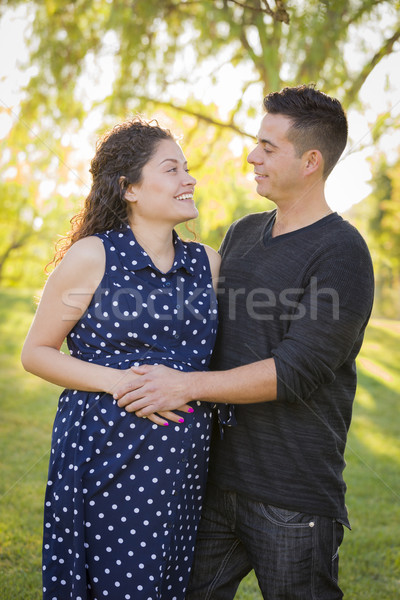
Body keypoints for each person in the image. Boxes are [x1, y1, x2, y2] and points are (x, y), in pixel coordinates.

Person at [113, 85, 375, 599]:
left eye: (268, 147)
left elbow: (294, 370)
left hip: (292, 496)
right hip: (213, 481)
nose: (252, 156)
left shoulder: (342, 252)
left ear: (311, 161)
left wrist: (184, 387)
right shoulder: (242, 233)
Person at [21, 117, 222, 600]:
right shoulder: (93, 256)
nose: (189, 179)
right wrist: (121, 383)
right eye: (172, 169)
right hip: (106, 451)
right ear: (129, 188)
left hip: (184, 465)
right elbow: (37, 353)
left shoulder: (208, 263)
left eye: (187, 168)